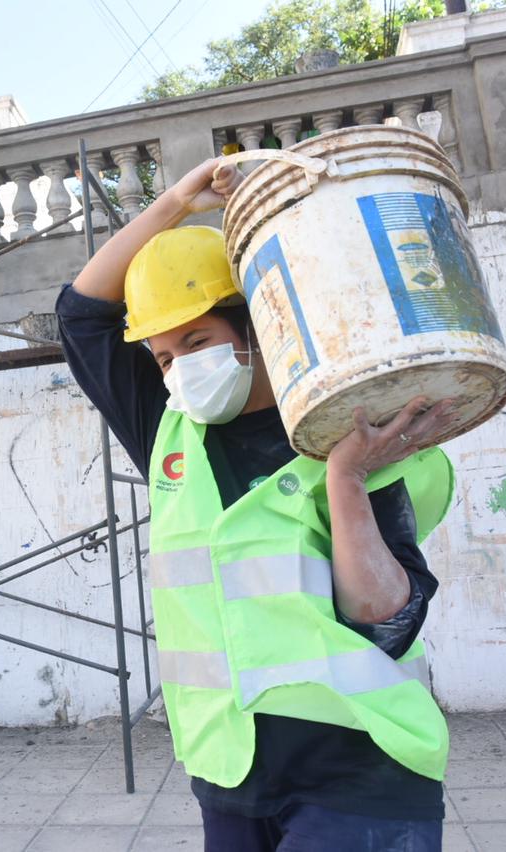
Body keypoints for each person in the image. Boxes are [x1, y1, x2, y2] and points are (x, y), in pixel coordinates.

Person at [55, 157, 459, 851]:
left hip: (361, 765)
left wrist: (347, 478)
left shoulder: (354, 429)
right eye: (164, 357)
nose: (182, 368)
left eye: (197, 341)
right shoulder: (169, 433)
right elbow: (81, 315)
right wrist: (176, 202)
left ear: (255, 328)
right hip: (228, 765)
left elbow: (385, 619)